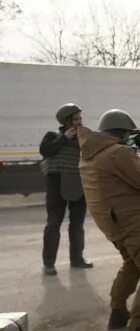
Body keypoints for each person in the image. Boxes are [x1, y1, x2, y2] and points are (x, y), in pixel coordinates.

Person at [78, 109, 140, 331]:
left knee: (132, 265)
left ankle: (118, 312)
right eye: (128, 135)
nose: (130, 139)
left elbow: (125, 178)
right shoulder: (118, 153)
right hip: (133, 224)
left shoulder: (93, 152)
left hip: (114, 224)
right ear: (120, 133)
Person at [39, 103, 92, 275]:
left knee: (77, 224)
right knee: (54, 223)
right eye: (75, 119)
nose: (79, 122)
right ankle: (49, 263)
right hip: (56, 184)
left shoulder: (84, 138)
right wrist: (63, 139)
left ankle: (77, 259)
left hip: (79, 183)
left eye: (80, 118)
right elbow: (45, 151)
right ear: (66, 121)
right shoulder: (52, 135)